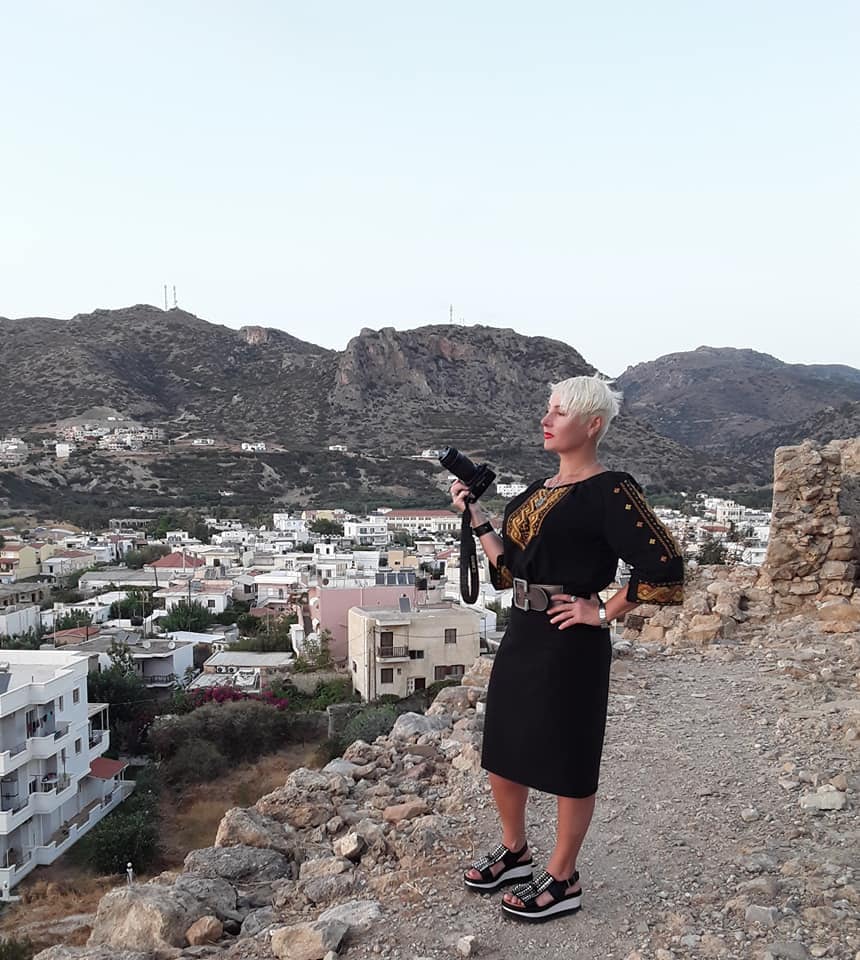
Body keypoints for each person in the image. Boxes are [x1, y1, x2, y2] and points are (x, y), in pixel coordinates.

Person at [451, 375, 684, 923]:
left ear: (592, 424)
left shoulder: (611, 490)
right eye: (548, 410)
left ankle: (563, 877)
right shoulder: (537, 490)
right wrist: (477, 517)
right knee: (504, 747)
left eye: (559, 412)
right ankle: (515, 851)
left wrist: (601, 612)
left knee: (568, 755)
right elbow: (509, 571)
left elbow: (666, 568)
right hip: (522, 632)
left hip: (571, 643)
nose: (546, 420)